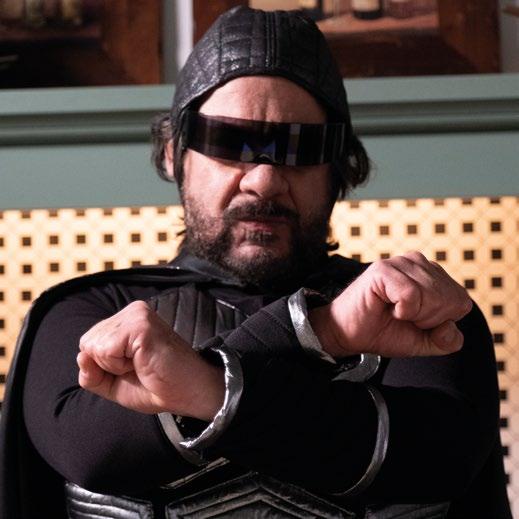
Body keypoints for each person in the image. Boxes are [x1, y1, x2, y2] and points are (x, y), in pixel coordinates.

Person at [0, 6, 511, 519]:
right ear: (174, 153)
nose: (264, 181)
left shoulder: (410, 309)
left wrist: (203, 388)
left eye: (300, 147)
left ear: (341, 167)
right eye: (229, 141)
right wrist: (323, 331)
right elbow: (92, 448)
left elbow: (437, 457)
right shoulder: (87, 311)